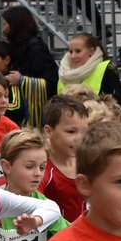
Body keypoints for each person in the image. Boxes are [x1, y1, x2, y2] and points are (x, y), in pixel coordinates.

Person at [0, 7, 58, 125]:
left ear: (15, 25)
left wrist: (22, 80)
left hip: (36, 117)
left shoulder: (36, 49)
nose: (4, 29)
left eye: (6, 24)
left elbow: (51, 83)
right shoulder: (20, 47)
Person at [38, 93, 88, 222]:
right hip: (56, 238)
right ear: (49, 131)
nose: (79, 138)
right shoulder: (42, 170)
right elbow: (34, 206)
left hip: (84, 235)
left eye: (84, 132)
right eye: (71, 132)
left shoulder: (87, 161)